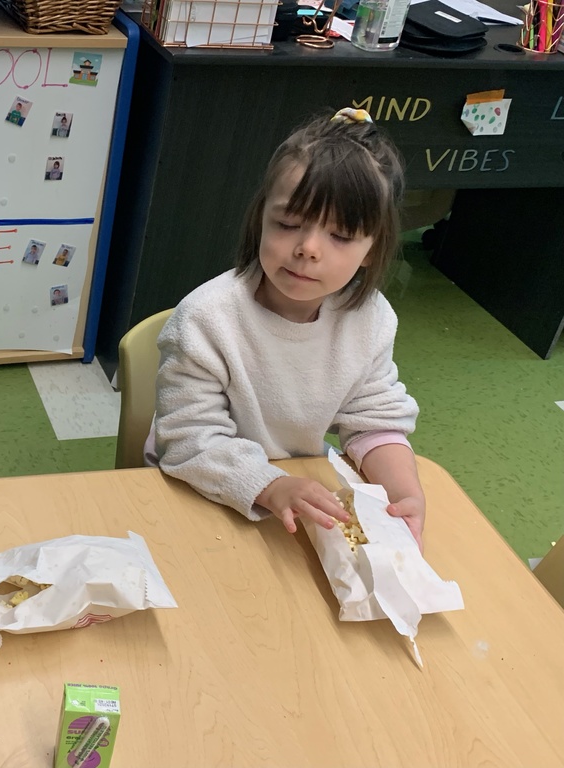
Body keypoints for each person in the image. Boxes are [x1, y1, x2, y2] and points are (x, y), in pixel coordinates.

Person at [152, 108, 426, 550]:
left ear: (374, 248)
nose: (308, 249)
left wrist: (405, 494)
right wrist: (269, 484)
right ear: (261, 218)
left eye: (340, 235)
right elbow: (190, 442)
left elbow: (374, 418)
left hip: (293, 499)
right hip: (205, 485)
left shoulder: (370, 318)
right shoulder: (206, 320)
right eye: (288, 224)